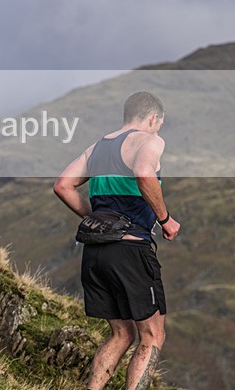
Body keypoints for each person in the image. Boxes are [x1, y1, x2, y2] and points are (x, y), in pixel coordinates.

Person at [54, 92, 181, 389]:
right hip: (131, 249)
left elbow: (63, 186)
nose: (158, 130)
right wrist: (165, 219)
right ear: (153, 118)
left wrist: (97, 219)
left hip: (96, 253)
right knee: (152, 336)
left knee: (121, 334)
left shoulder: (97, 148)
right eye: (158, 124)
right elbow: (143, 172)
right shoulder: (150, 141)